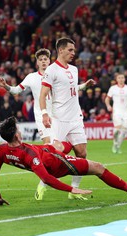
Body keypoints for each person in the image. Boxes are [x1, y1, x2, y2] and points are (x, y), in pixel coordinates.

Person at [0, 117, 127, 206]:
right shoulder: (29, 154)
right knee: (98, 167)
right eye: (18, 129)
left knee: (62, 144)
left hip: (49, 151)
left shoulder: (0, 150)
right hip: (57, 162)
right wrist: (72, 189)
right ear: (17, 135)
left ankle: (68, 141)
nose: (20, 130)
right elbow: (46, 177)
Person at [40, 37, 96, 200]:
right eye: (70, 50)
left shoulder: (74, 69)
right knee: (55, 156)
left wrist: (84, 86)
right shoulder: (51, 70)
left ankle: (74, 190)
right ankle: (44, 182)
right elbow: (43, 94)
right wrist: (44, 113)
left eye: (74, 50)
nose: (73, 53)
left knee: (82, 153)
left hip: (75, 117)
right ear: (61, 50)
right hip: (59, 118)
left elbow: (71, 89)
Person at [105, 73, 127, 154]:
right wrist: (108, 106)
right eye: (119, 78)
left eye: (122, 78)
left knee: (124, 131)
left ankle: (118, 146)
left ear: (124, 79)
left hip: (125, 112)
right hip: (116, 112)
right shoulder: (113, 88)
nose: (121, 79)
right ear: (117, 79)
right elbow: (107, 99)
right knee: (117, 129)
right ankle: (114, 143)